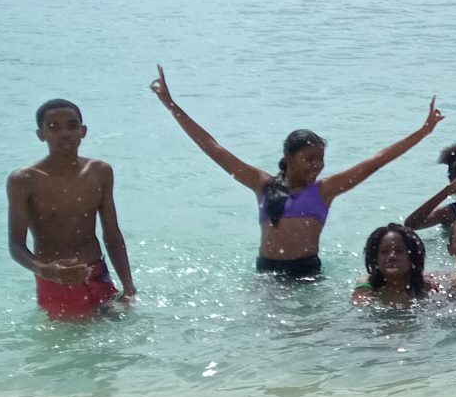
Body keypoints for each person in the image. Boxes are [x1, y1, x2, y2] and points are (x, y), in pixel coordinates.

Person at [151, 66, 440, 279]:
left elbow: (377, 161)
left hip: (307, 272)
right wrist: (171, 105)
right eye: (309, 159)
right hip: (266, 272)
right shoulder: (262, 184)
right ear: (289, 157)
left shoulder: (325, 190)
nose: (317, 165)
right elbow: (214, 149)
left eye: (321, 160)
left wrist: (423, 132)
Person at [8, 98, 137, 318]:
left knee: (117, 335)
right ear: (41, 134)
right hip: (55, 282)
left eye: (72, 126)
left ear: (83, 131)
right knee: (69, 338)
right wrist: (44, 270)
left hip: (98, 274)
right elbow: (16, 246)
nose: (64, 133)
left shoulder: (100, 172)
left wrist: (128, 286)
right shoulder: (24, 180)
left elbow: (112, 234)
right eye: (53, 127)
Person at [353, 224, 436, 303]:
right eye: (384, 251)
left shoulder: (429, 287)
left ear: (413, 256)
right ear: (375, 258)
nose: (392, 256)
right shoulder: (366, 291)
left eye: (399, 251)